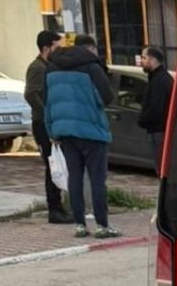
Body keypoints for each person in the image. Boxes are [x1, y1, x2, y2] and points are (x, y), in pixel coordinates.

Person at [43, 34, 120, 239]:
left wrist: (51, 130)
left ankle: (79, 224)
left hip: (64, 131)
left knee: (74, 178)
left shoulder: (51, 68)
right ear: (90, 49)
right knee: (97, 179)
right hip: (92, 130)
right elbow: (107, 97)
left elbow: (47, 102)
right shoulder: (91, 67)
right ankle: (102, 225)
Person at [24, 30, 73, 224]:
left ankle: (59, 206)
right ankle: (54, 208)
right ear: (46, 48)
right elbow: (31, 94)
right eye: (57, 47)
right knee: (53, 164)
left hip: (51, 121)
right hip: (43, 123)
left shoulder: (49, 66)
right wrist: (47, 114)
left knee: (58, 163)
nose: (59, 51)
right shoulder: (37, 67)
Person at [137, 46, 174, 175]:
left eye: (144, 58)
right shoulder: (159, 78)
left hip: (159, 131)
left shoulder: (159, 80)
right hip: (160, 130)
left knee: (162, 169)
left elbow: (156, 107)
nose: (141, 61)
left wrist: (142, 120)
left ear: (153, 60)